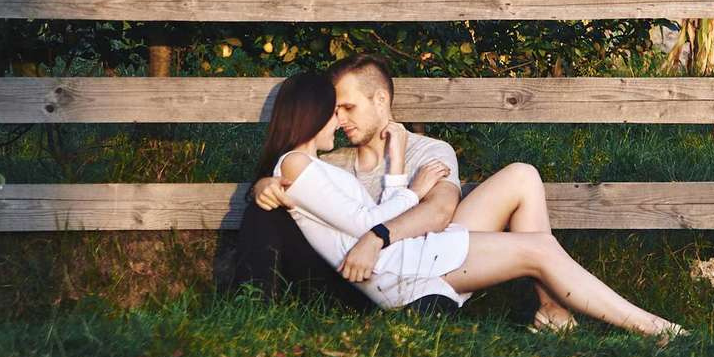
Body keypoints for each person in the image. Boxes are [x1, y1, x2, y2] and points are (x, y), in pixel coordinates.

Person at [244, 63, 681, 337]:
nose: (339, 120)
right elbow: (298, 178)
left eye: (347, 109)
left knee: (524, 177)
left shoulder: (427, 151)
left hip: (410, 248)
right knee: (538, 249)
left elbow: (439, 212)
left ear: (381, 100)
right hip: (396, 268)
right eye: (333, 110)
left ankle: (554, 310)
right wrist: (263, 185)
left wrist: (383, 221)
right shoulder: (331, 162)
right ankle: (653, 329)